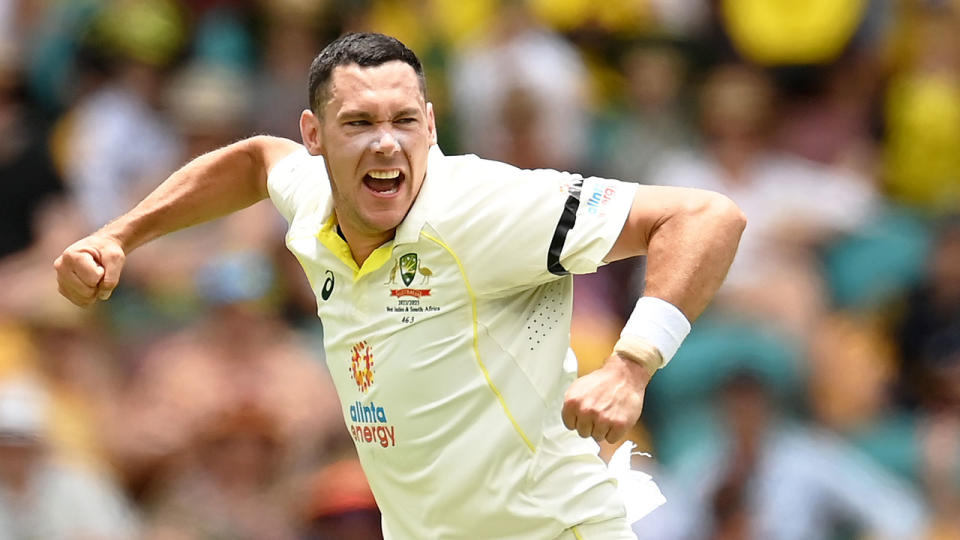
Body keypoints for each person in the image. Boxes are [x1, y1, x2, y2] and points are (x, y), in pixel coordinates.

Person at [54, 32, 745, 539]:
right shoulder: (312, 194)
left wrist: (631, 365)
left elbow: (707, 216)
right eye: (358, 123)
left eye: (404, 121)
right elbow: (254, 161)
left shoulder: (485, 207)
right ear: (316, 135)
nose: (386, 143)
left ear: (431, 126)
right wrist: (119, 234)